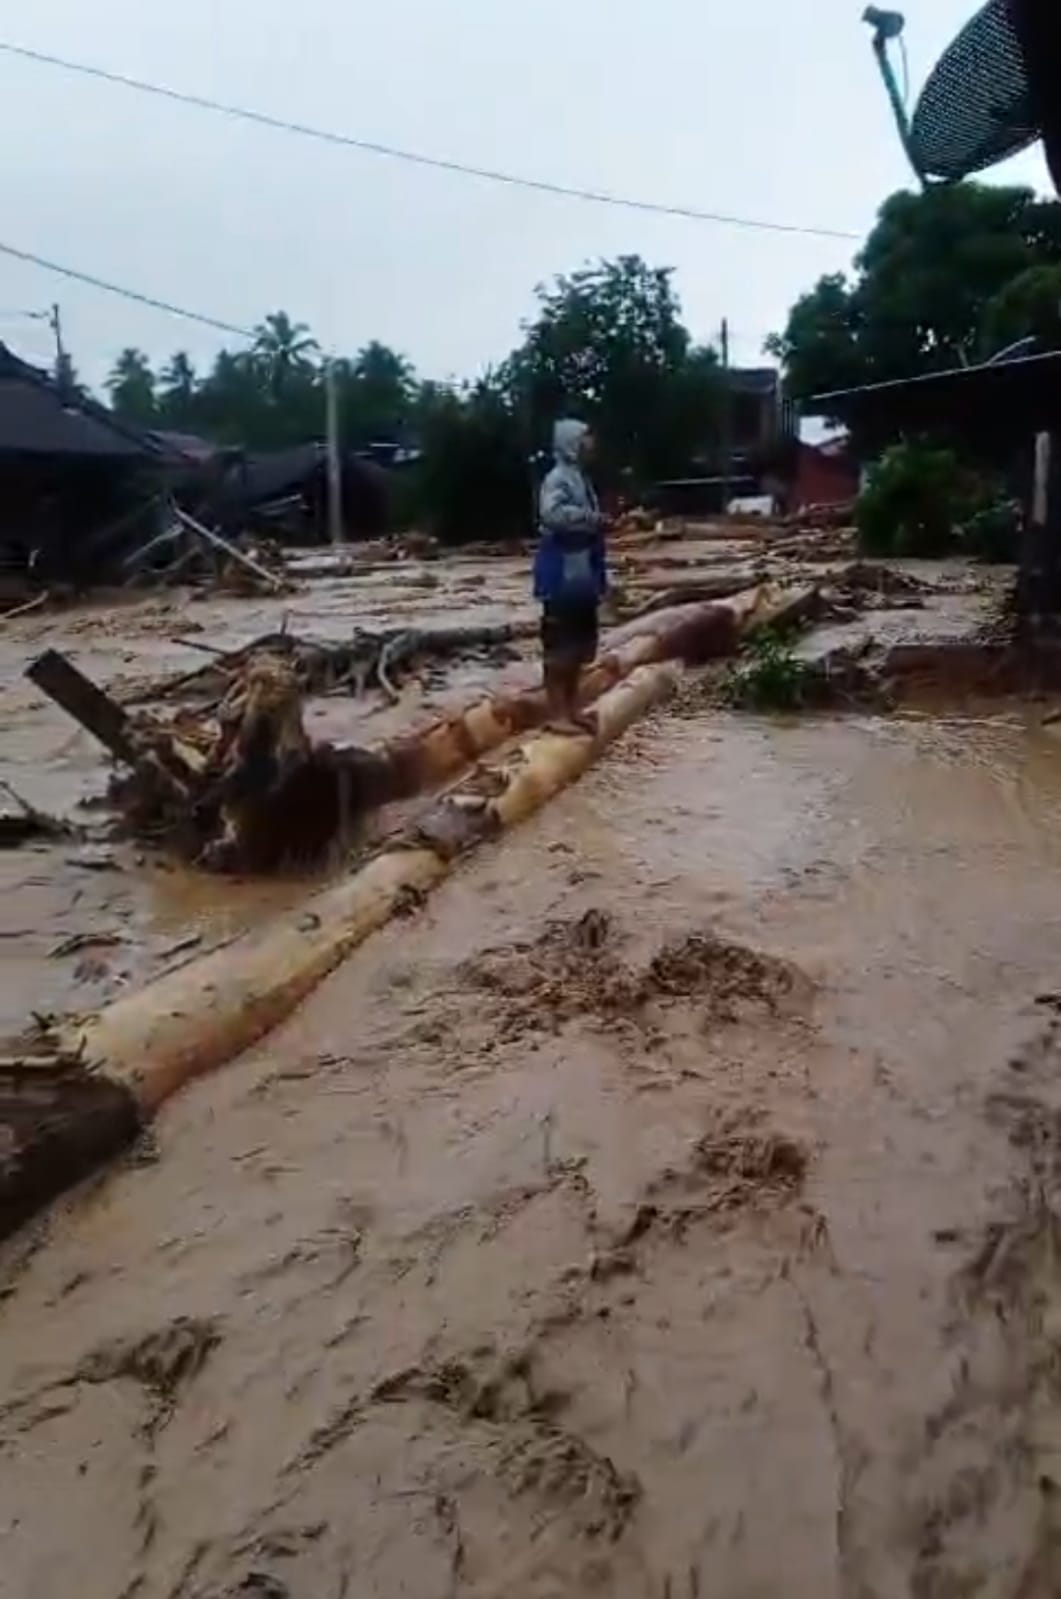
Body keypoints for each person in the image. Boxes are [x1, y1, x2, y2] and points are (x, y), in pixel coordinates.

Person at [534, 418, 608, 734]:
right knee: (560, 645)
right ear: (572, 443)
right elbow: (551, 514)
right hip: (562, 570)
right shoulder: (557, 478)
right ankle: (556, 714)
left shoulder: (580, 478)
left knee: (579, 646)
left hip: (582, 571)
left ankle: (572, 709)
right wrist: (591, 518)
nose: (592, 445)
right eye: (586, 438)